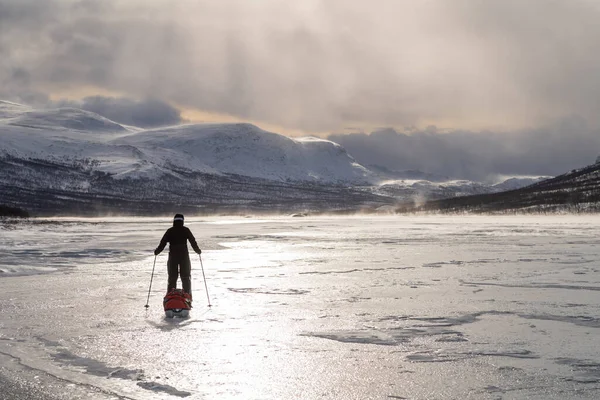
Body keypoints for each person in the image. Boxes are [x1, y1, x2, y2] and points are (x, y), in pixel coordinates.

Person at [154, 214, 201, 299]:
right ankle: (187, 296)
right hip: (184, 256)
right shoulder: (186, 230)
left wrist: (157, 251)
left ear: (174, 221)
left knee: (172, 277)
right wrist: (197, 250)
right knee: (186, 277)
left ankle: (170, 296)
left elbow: (163, 243)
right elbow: (192, 241)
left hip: (173, 257)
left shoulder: (170, 231)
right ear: (182, 221)